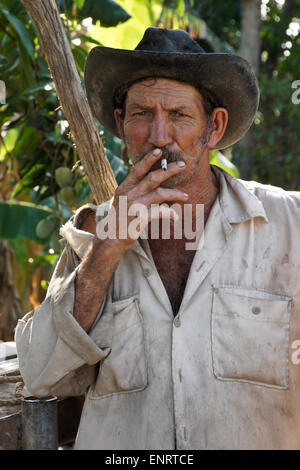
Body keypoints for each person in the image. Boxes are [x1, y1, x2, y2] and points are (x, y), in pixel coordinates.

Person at [15, 27, 300, 450]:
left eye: (180, 115)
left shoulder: (288, 224)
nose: (159, 135)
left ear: (214, 128)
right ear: (120, 124)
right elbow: (41, 372)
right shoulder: (93, 234)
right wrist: (108, 248)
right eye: (142, 114)